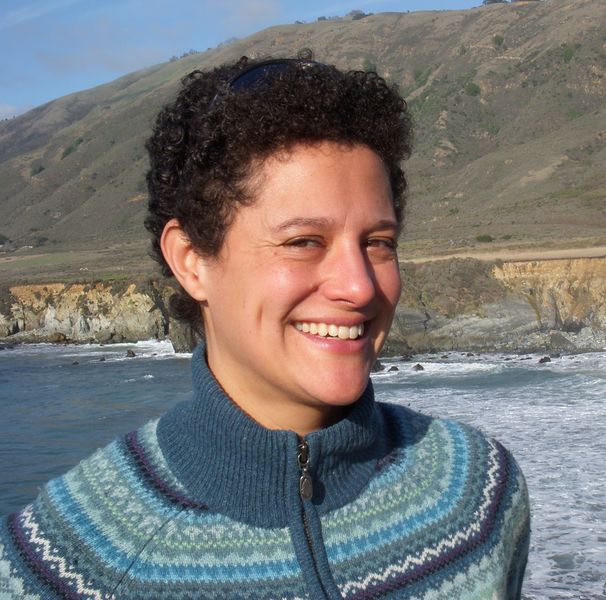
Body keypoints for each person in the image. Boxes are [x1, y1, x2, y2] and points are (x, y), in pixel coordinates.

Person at [0, 53, 530, 599]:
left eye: (378, 242)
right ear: (192, 261)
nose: (359, 287)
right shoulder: (67, 564)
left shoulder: (477, 493)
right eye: (304, 242)